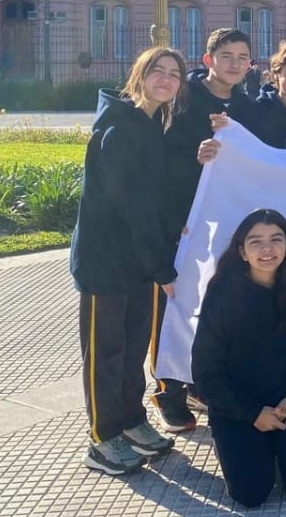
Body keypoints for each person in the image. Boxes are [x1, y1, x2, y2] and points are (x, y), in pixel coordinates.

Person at [70, 46, 186, 474]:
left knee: (134, 345)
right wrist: (163, 265)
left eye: (174, 75)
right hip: (106, 263)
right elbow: (132, 205)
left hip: (137, 262)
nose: (166, 79)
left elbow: (159, 198)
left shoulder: (153, 125)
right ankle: (103, 437)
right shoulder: (118, 129)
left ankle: (131, 419)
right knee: (106, 352)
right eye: (158, 70)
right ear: (139, 74)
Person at [192, 209, 286, 508]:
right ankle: (244, 445)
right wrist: (253, 413)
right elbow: (205, 373)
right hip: (237, 407)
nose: (267, 249)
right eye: (256, 242)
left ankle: (285, 444)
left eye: (276, 240)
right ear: (242, 251)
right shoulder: (222, 294)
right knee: (251, 494)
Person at [159, 28, 255, 433]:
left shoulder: (250, 106)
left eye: (242, 57)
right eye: (226, 55)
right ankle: (169, 389)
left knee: (217, 301)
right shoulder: (184, 99)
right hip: (185, 218)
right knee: (178, 300)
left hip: (228, 219)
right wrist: (196, 156)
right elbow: (161, 154)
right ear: (208, 58)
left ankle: (201, 380)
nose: (234, 63)